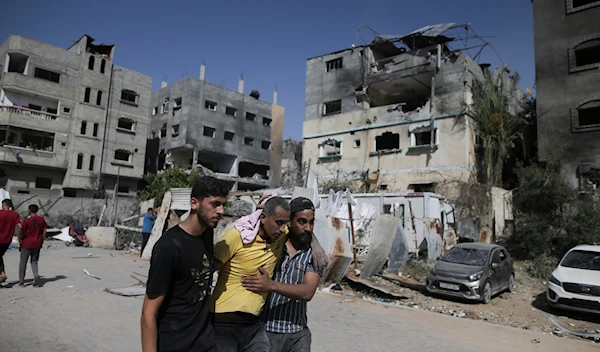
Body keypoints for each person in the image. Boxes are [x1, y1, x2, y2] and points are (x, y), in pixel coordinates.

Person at [141, 176, 229, 352]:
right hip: (175, 343)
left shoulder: (206, 234)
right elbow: (148, 314)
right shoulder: (169, 247)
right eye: (215, 204)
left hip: (205, 341)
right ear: (194, 203)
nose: (221, 211)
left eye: (223, 205)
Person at [211, 196, 291, 352]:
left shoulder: (280, 236)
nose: (282, 229)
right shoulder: (238, 235)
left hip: (254, 324)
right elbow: (208, 269)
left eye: (285, 223)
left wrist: (318, 250)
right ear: (262, 218)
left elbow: (304, 229)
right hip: (224, 321)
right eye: (278, 222)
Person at [242, 197, 320, 352]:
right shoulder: (272, 246)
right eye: (302, 221)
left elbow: (308, 291)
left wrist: (270, 285)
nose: (308, 228)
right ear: (289, 221)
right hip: (265, 330)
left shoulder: (315, 255)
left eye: (311, 222)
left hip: (298, 334)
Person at [18, 204, 48, 288]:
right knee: (34, 261)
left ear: (29, 210)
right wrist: (41, 241)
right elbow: (44, 231)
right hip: (37, 243)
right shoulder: (42, 220)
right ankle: (36, 275)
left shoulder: (27, 221)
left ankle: (21, 282)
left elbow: (22, 231)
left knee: (23, 262)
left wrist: (20, 239)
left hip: (26, 243)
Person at [0, 199, 22, 284]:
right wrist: (20, 237)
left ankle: (2, 273)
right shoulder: (15, 214)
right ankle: (2, 274)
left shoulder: (0, 213)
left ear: (3, 205)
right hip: (8, 240)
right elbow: (20, 226)